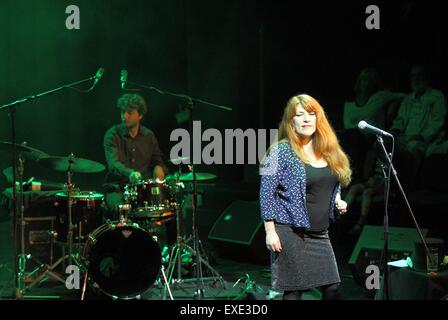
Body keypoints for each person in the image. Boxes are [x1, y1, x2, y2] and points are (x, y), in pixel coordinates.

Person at [260, 94, 351, 300]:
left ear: (319, 118)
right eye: (300, 115)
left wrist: (337, 200)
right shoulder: (280, 151)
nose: (306, 119)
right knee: (294, 290)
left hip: (320, 233)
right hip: (290, 231)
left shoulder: (328, 149)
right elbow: (266, 194)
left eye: (311, 114)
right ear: (291, 121)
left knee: (332, 286)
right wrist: (270, 232)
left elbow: (332, 182)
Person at [103, 93, 175, 244]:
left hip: (141, 193)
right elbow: (113, 164)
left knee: (171, 208)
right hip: (117, 189)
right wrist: (130, 173)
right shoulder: (112, 134)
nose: (125, 116)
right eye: (123, 112)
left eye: (130, 112)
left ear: (140, 115)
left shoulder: (149, 136)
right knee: (122, 209)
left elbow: (158, 159)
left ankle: (168, 253)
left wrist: (159, 167)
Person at [341, 67, 404, 183]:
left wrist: (392, 106)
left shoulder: (380, 97)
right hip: (353, 137)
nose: (367, 83)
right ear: (359, 82)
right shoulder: (349, 104)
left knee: (351, 137)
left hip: (372, 136)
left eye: (370, 80)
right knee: (345, 136)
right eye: (364, 80)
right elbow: (347, 124)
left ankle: (354, 177)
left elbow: (403, 96)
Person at [390, 64, 447, 189]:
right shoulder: (408, 99)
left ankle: (410, 186)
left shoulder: (436, 96)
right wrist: (394, 131)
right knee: (385, 144)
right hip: (406, 137)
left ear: (426, 77)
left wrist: (422, 136)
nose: (416, 79)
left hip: (424, 138)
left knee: (414, 147)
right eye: (413, 76)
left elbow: (438, 122)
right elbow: (400, 120)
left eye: (419, 75)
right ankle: (385, 184)